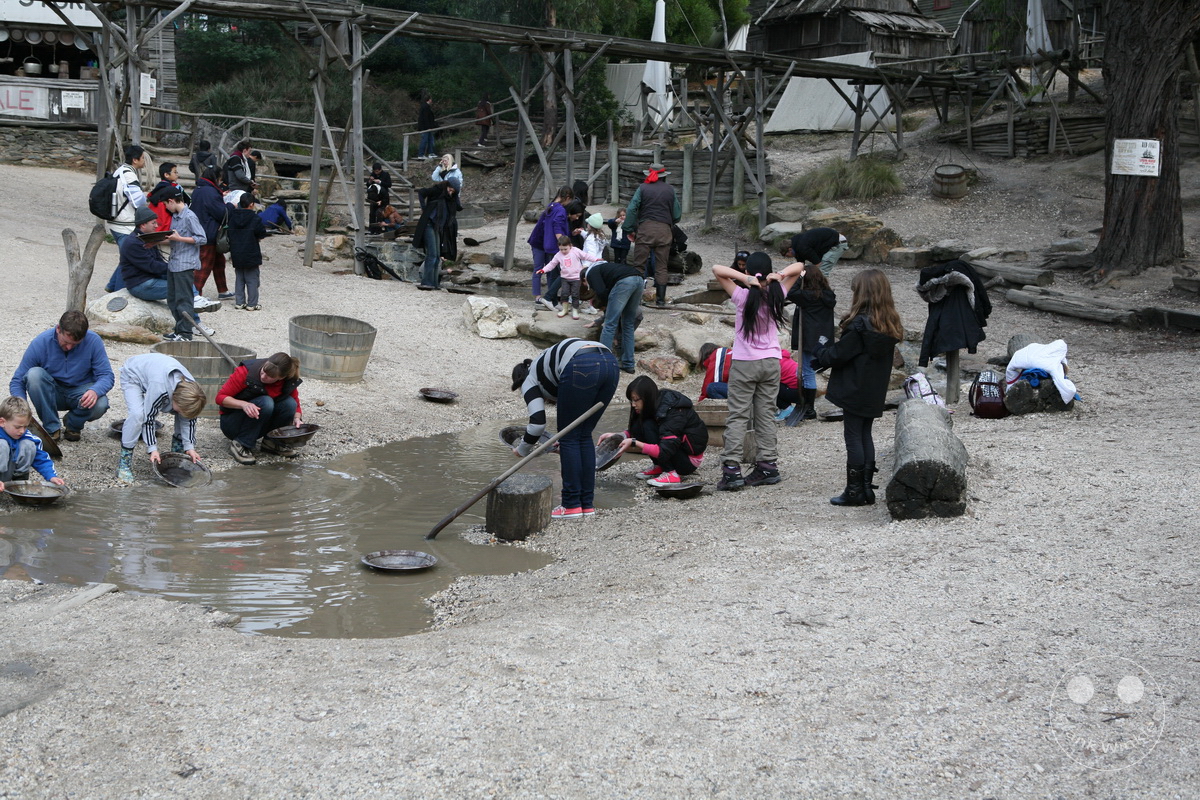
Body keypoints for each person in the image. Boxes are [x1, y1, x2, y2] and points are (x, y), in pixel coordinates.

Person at [711, 252, 803, 491]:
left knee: (738, 415)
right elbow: (800, 266)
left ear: (748, 271)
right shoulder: (777, 294)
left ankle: (732, 469)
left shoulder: (741, 296)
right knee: (766, 414)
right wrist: (779, 275)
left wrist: (745, 279)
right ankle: (768, 465)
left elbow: (717, 269)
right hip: (771, 363)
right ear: (769, 271)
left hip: (745, 363)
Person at [813, 268, 904, 507]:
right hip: (874, 390)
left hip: (854, 389)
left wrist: (820, 351)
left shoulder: (859, 326)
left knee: (853, 436)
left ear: (861, 294)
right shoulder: (889, 324)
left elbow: (838, 355)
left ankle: (855, 491)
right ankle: (865, 488)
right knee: (865, 434)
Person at [510, 338, 619, 520]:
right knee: (583, 435)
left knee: (569, 437)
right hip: (610, 363)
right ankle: (586, 504)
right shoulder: (544, 366)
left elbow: (537, 424)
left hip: (581, 363)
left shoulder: (529, 379)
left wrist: (522, 450)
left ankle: (571, 505)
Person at [9, 311, 113, 443]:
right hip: (52, 392)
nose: (69, 347)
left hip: (80, 393)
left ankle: (73, 424)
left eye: (75, 344)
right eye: (66, 342)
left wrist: (95, 391)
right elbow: (18, 380)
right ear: (58, 329)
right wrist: (21, 407)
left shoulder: (93, 341)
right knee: (33, 375)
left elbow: (106, 375)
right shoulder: (41, 342)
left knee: (101, 403)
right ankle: (52, 428)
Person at [119, 207, 216, 336]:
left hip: (150, 278)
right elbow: (152, 267)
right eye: (153, 223)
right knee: (182, 288)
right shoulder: (133, 243)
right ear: (143, 225)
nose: (156, 226)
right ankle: (194, 318)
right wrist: (176, 267)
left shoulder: (146, 238)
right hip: (140, 284)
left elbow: (158, 263)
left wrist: (176, 269)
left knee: (182, 281)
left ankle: (194, 306)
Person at [116, 352, 207, 485]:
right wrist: (152, 448)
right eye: (179, 409)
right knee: (138, 415)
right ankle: (124, 463)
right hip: (133, 374)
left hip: (157, 370)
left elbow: (189, 420)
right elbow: (149, 419)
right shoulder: (160, 390)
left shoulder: (192, 392)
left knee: (184, 415)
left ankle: (176, 458)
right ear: (173, 399)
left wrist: (190, 447)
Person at [603, 375, 708, 487]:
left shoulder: (674, 412)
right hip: (676, 451)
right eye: (631, 400)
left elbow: (665, 450)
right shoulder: (653, 404)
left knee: (647, 426)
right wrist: (619, 436)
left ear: (647, 397)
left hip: (688, 461)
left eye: (636, 400)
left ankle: (671, 473)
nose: (633, 405)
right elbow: (636, 431)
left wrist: (634, 443)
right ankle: (659, 466)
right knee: (643, 424)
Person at [216, 353, 304, 465]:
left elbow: (295, 401)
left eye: (270, 377)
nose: (263, 376)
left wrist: (297, 418)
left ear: (281, 378)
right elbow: (220, 397)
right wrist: (244, 404)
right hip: (233, 423)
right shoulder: (246, 372)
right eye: (263, 371)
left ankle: (272, 442)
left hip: (260, 423)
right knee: (266, 402)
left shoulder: (287, 379)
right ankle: (241, 443)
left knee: (289, 404)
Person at [622, 161, 681, 308]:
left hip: (645, 230)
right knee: (662, 267)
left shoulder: (642, 188)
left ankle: (635, 300)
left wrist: (629, 228)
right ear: (664, 176)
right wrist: (668, 222)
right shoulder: (670, 190)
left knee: (639, 266)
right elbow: (677, 214)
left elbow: (632, 209)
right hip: (664, 231)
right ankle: (660, 301)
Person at [786, 265, 836, 423]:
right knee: (808, 372)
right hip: (821, 338)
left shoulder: (808, 296)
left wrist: (798, 277)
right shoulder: (827, 295)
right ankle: (806, 405)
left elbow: (790, 292)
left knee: (807, 372)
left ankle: (809, 408)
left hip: (809, 338)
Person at [160, 187, 208, 342]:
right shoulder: (176, 216)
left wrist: (179, 239)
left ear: (171, 201)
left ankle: (186, 333)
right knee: (172, 299)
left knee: (184, 299)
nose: (166, 208)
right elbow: (175, 239)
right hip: (174, 262)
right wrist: (156, 241)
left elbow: (202, 238)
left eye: (165, 204)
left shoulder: (189, 216)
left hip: (185, 264)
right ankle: (178, 330)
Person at [581, 261, 643, 375]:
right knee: (628, 324)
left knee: (609, 325)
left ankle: (604, 364)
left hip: (625, 282)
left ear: (584, 279)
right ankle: (628, 364)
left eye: (584, 283)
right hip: (639, 279)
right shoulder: (605, 269)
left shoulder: (591, 273)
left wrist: (605, 306)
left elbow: (601, 292)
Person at [103, 144, 149, 292]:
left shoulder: (120, 171)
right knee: (129, 259)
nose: (144, 161)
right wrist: (146, 199)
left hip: (116, 221)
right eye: (142, 158)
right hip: (124, 224)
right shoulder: (129, 175)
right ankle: (118, 293)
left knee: (126, 256)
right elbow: (138, 201)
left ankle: (111, 285)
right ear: (135, 160)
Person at [0, 397, 65, 491]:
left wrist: (51, 476)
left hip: (10, 475)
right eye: (17, 427)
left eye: (25, 427)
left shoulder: (26, 435)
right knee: (2, 445)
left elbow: (41, 458)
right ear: (2, 422)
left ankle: (19, 483)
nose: (22, 431)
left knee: (29, 445)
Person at [191, 166, 233, 301]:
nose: (221, 181)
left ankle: (223, 290)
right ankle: (194, 294)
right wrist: (231, 206)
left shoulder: (199, 189)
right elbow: (221, 213)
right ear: (216, 177)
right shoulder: (211, 192)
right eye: (220, 178)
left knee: (219, 262)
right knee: (204, 265)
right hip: (208, 232)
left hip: (201, 228)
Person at [528, 186, 573, 310]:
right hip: (541, 243)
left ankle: (551, 299)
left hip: (548, 244)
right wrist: (564, 245)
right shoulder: (558, 209)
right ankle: (540, 297)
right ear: (567, 197)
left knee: (551, 271)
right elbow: (557, 227)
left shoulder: (552, 206)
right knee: (541, 269)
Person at [413, 179, 459, 290]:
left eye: (453, 191)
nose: (450, 192)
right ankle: (427, 282)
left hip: (437, 227)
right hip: (429, 224)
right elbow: (421, 192)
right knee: (432, 255)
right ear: (447, 185)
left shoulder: (449, 198)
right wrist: (424, 209)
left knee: (437, 255)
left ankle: (434, 283)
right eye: (450, 189)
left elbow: (457, 206)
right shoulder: (437, 190)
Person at [228, 194, 268, 310]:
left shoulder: (232, 217)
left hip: (236, 251)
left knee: (239, 278)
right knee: (252, 279)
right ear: (251, 204)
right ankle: (252, 304)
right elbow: (262, 233)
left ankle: (239, 302)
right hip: (251, 252)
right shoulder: (255, 218)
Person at [537, 234, 587, 320]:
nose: (563, 251)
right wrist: (543, 270)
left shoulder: (575, 251)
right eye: (561, 249)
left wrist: (595, 260)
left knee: (575, 294)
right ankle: (564, 309)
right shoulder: (559, 255)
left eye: (565, 249)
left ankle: (574, 310)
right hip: (565, 277)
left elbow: (585, 255)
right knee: (564, 293)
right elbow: (551, 264)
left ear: (570, 246)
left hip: (576, 277)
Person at [784, 228, 848, 277]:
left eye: (786, 255)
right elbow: (801, 266)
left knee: (821, 271)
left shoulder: (803, 248)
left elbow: (818, 263)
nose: (788, 257)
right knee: (814, 271)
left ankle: (824, 289)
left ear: (789, 250)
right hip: (829, 242)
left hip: (838, 244)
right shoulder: (796, 244)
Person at [417, 93, 436, 159]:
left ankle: (431, 152)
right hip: (425, 127)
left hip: (427, 127)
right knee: (424, 140)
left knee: (430, 139)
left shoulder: (426, 107)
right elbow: (425, 118)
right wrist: (428, 127)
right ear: (429, 100)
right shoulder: (425, 107)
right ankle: (421, 154)